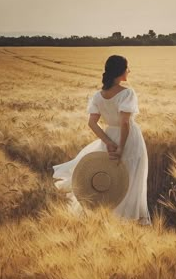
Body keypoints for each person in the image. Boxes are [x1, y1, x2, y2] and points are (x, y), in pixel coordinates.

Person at [52, 55, 151, 226]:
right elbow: (125, 123)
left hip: (110, 136)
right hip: (129, 140)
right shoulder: (127, 93)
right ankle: (130, 220)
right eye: (127, 68)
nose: (129, 71)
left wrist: (108, 142)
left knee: (112, 181)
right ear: (120, 71)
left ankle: (109, 219)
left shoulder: (98, 96)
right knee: (131, 178)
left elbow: (92, 122)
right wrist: (120, 147)